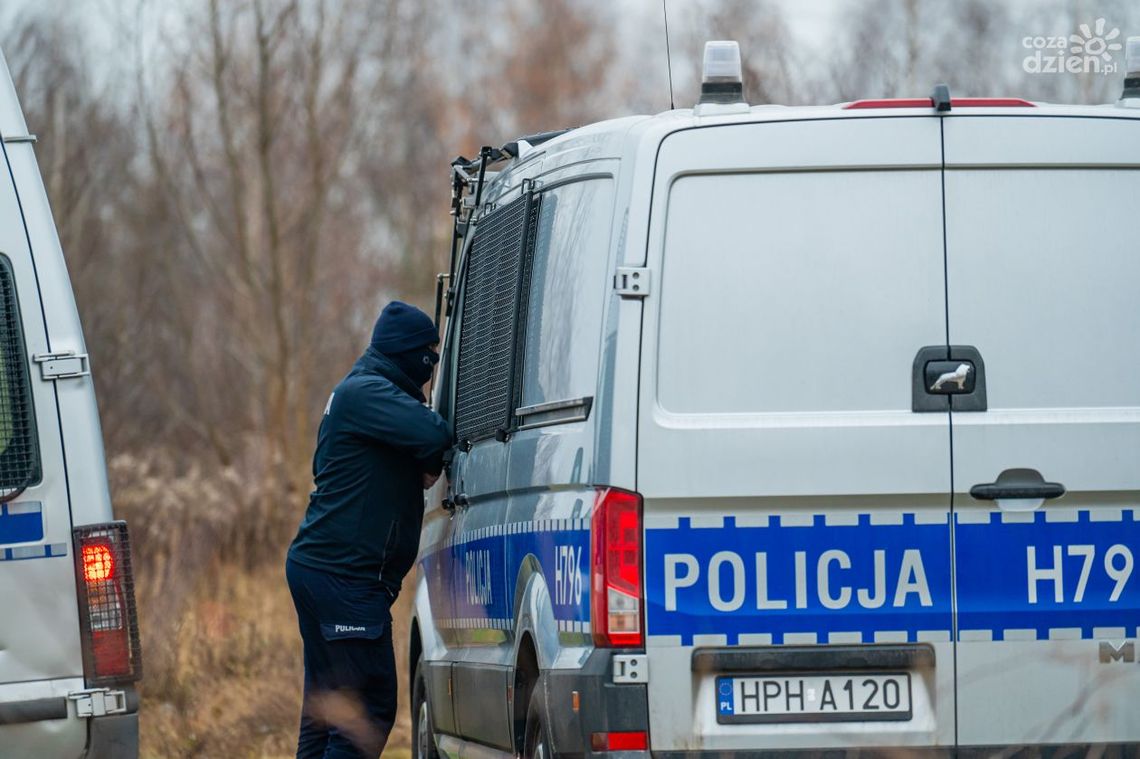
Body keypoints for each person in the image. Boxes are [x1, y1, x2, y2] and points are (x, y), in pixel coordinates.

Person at [286, 301, 451, 759]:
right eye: (430, 358)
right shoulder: (368, 393)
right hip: (344, 577)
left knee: (328, 714)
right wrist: (427, 458)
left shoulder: (360, 392)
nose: (433, 369)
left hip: (323, 570)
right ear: (410, 356)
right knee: (368, 713)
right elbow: (436, 435)